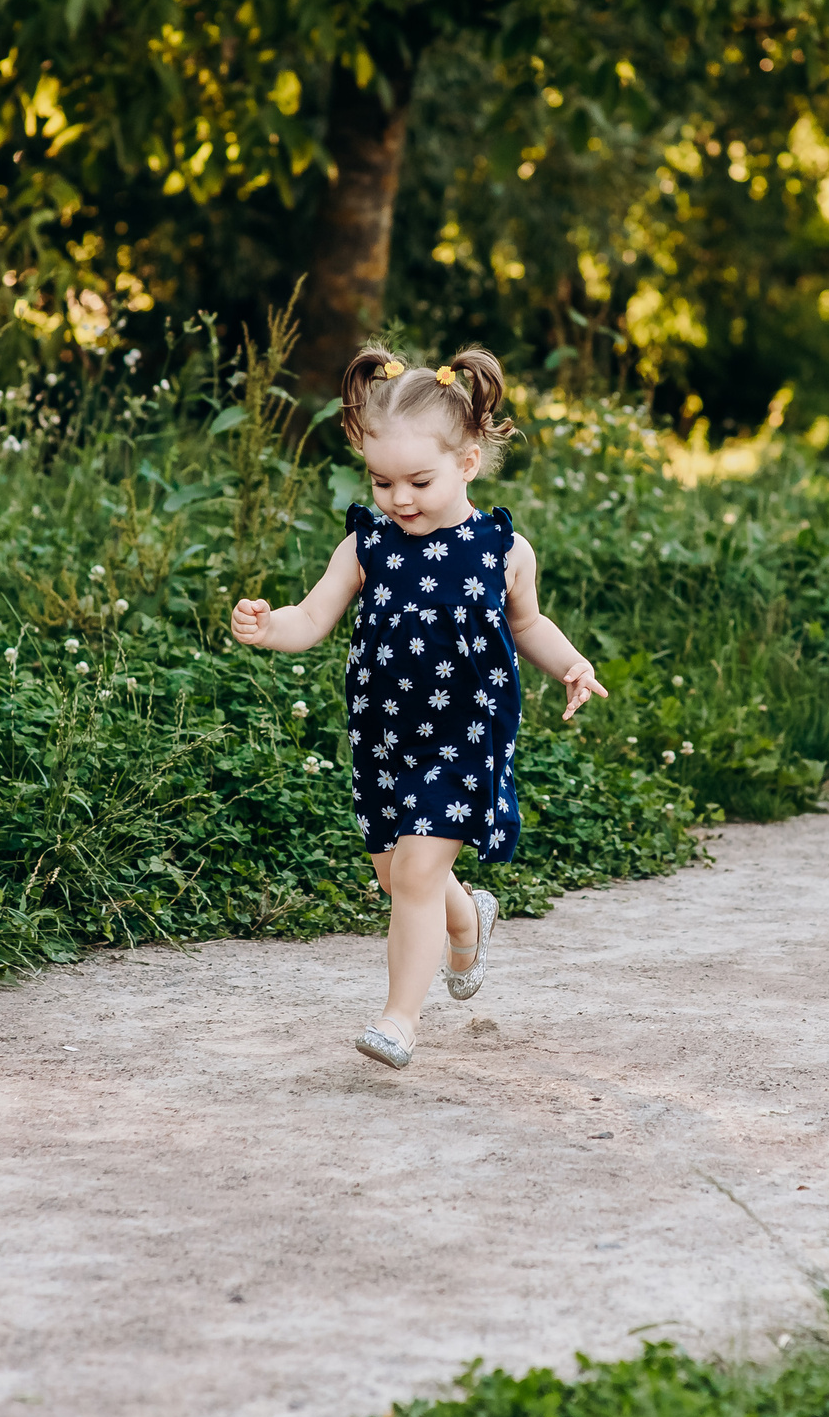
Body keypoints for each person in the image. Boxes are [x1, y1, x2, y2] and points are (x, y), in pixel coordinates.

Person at [229, 345, 607, 1068]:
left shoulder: (502, 550)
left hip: (464, 735)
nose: (399, 498)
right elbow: (311, 617)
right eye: (382, 481)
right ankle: (467, 919)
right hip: (384, 737)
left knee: (413, 874)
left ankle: (399, 1019)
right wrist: (268, 625)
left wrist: (572, 663)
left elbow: (527, 623)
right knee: (396, 874)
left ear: (467, 462)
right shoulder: (366, 546)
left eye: (419, 481)